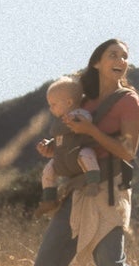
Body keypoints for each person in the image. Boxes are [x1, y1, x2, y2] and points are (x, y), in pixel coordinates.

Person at [31, 38, 139, 266]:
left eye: (125, 56)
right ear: (97, 62)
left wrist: (92, 131)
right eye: (113, 54)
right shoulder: (82, 100)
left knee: (111, 264)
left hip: (109, 189)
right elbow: (70, 140)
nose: (121, 59)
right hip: (76, 191)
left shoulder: (129, 100)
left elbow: (128, 151)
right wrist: (54, 150)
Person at [38, 75, 102, 211]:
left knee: (87, 154)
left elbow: (87, 118)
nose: (51, 109)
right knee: (48, 170)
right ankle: (49, 198)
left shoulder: (79, 114)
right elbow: (59, 139)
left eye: (53, 104)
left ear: (68, 103)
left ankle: (93, 182)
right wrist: (49, 144)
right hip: (62, 159)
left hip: (77, 154)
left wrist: (76, 119)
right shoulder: (59, 122)